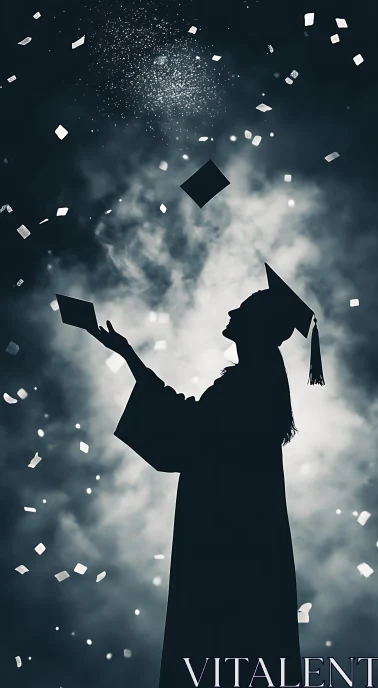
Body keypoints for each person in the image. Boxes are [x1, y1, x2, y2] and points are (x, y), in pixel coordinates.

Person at [93, 289, 305, 688]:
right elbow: (190, 420)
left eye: (240, 309)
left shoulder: (252, 384)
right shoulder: (257, 379)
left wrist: (129, 358)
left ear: (256, 325)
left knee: (219, 633)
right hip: (231, 521)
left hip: (227, 529)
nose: (229, 310)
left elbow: (190, 427)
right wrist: (127, 355)